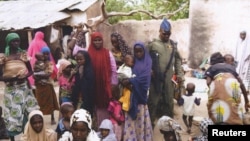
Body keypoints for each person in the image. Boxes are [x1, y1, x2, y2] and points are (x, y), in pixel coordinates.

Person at [0, 32, 40, 141]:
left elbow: (30, 71)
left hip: (24, 89)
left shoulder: (23, 55)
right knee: (11, 114)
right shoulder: (4, 58)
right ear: (8, 42)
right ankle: (12, 138)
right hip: (11, 89)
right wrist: (13, 78)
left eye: (18, 41)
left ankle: (27, 136)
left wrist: (24, 76)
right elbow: (0, 77)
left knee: (27, 112)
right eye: (13, 41)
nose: (16, 43)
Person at [147, 18, 185, 126]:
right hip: (155, 78)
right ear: (159, 31)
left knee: (169, 100)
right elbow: (143, 58)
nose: (166, 36)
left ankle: (168, 124)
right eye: (164, 34)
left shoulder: (173, 45)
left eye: (169, 34)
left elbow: (177, 59)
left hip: (168, 78)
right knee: (153, 101)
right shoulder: (152, 44)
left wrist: (179, 74)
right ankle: (150, 124)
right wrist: (148, 70)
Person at [204, 52, 250, 124]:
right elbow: (241, 83)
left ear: (212, 62)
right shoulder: (231, 67)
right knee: (234, 104)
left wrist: (215, 90)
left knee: (215, 105)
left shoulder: (212, 67)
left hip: (218, 83)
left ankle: (216, 123)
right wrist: (246, 101)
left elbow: (208, 82)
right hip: (233, 84)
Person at [121, 42, 153, 141]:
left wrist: (130, 81)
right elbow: (124, 77)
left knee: (141, 122)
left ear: (144, 51)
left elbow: (144, 80)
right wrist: (126, 82)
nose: (138, 53)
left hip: (141, 99)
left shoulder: (147, 62)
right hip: (131, 99)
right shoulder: (131, 63)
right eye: (136, 51)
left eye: (140, 51)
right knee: (131, 122)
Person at [88, 32, 118, 128]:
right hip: (92, 85)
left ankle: (104, 128)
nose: (97, 42)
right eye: (95, 40)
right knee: (92, 106)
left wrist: (113, 84)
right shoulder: (88, 53)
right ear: (92, 41)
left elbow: (113, 69)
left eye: (99, 40)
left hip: (104, 85)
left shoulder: (107, 53)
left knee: (104, 107)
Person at [34, 46, 59, 125]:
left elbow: (48, 74)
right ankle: (40, 118)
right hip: (39, 86)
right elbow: (33, 74)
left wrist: (38, 76)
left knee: (50, 102)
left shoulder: (49, 63)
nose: (45, 56)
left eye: (47, 54)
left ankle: (52, 118)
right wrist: (39, 76)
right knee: (39, 102)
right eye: (43, 54)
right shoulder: (36, 63)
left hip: (47, 85)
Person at [71, 50, 95, 116]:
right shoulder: (77, 68)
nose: (79, 61)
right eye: (77, 59)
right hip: (79, 95)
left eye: (81, 59)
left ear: (86, 59)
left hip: (87, 95)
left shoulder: (89, 69)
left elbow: (89, 83)